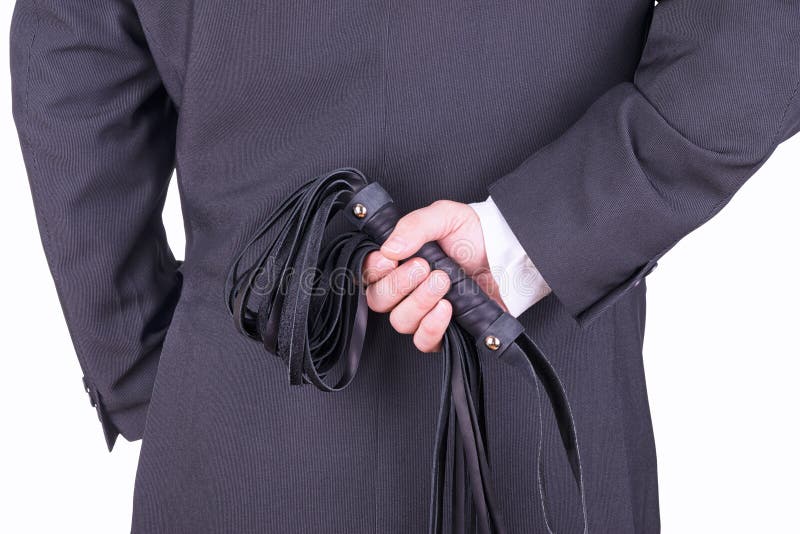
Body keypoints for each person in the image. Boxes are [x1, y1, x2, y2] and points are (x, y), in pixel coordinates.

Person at [10, 1, 799, 532]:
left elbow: (73, 70)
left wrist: (157, 374)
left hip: (235, 432)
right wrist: (528, 238)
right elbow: (760, 40)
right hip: (551, 433)